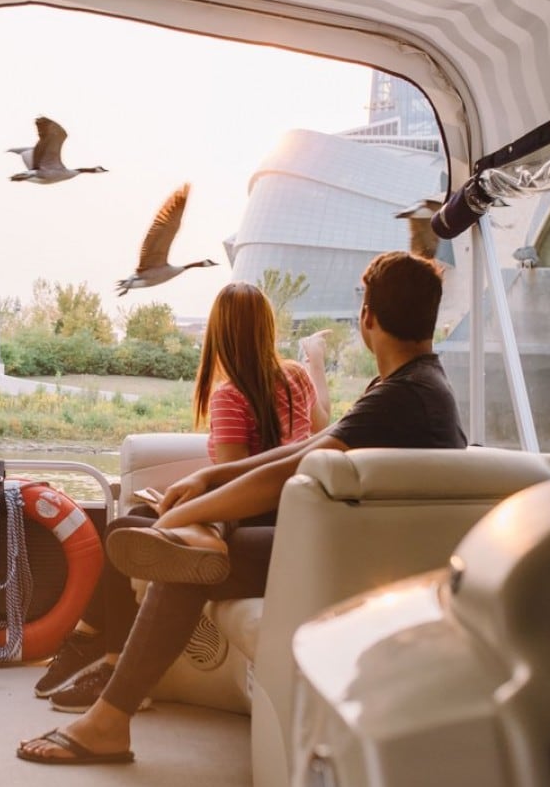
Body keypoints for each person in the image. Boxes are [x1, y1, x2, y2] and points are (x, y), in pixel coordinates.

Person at [18, 250, 467, 764]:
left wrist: (189, 511)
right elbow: (306, 448)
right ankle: (114, 697)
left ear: (368, 316)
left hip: (349, 559)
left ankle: (108, 720)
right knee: (188, 546)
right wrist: (211, 477)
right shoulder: (416, 386)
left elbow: (289, 471)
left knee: (189, 562)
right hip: (359, 544)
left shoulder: (402, 396)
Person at [34, 282, 330, 711]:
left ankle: (106, 658)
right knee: (137, 512)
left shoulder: (230, 395)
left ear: (219, 335)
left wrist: (187, 507)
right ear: (267, 329)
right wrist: (315, 362)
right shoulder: (296, 378)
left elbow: (236, 486)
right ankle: (85, 637)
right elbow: (322, 424)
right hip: (286, 516)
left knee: (122, 530)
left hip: (249, 523)